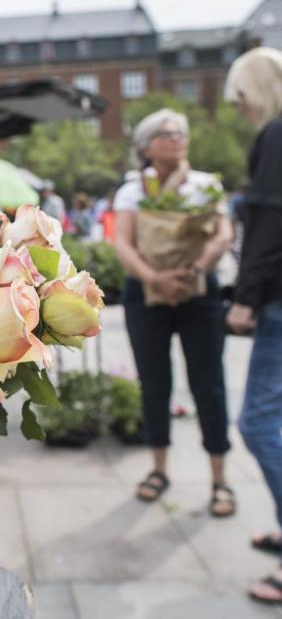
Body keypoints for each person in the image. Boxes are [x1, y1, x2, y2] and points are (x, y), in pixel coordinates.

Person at [113, 109, 235, 516]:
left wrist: (198, 268)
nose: (176, 137)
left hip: (199, 292)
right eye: (166, 132)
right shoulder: (132, 190)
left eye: (181, 132)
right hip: (146, 294)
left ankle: (220, 478)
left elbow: (223, 232)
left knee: (209, 384)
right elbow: (124, 243)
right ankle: (158, 469)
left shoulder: (206, 186)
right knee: (154, 382)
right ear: (146, 145)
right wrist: (154, 279)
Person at [224, 47, 282, 605]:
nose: (239, 107)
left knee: (259, 423)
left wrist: (245, 299)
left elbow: (268, 222)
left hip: (279, 301)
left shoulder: (277, 133)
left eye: (242, 95)